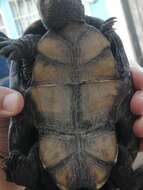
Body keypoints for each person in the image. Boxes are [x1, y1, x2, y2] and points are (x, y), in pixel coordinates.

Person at [0, 64, 142, 190]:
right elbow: (125, 152)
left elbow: (21, 162)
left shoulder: (37, 180)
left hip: (39, 69)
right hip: (96, 71)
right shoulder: (118, 179)